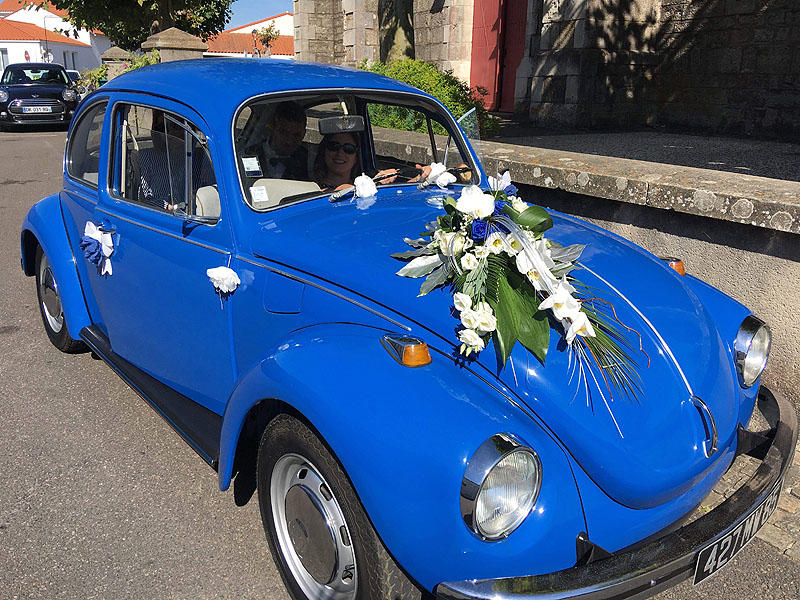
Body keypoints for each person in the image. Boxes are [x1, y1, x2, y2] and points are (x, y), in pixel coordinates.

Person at [314, 132, 433, 192]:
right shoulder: (313, 189)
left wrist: (420, 178)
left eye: (348, 149)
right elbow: (337, 193)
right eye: (334, 146)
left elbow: (398, 194)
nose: (340, 153)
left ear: (356, 156)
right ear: (324, 151)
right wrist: (374, 184)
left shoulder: (365, 180)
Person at [255, 101, 310, 181]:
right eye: (283, 132)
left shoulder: (307, 158)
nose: (289, 141)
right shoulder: (250, 153)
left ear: (304, 134)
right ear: (272, 128)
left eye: (297, 135)